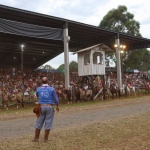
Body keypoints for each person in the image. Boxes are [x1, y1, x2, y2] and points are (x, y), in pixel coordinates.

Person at [33, 77, 59, 142]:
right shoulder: (52, 89)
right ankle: (45, 138)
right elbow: (56, 99)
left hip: (41, 106)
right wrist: (57, 106)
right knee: (48, 121)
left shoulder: (38, 89)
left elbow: (37, 96)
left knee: (39, 121)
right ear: (48, 82)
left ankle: (36, 138)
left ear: (41, 82)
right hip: (49, 106)